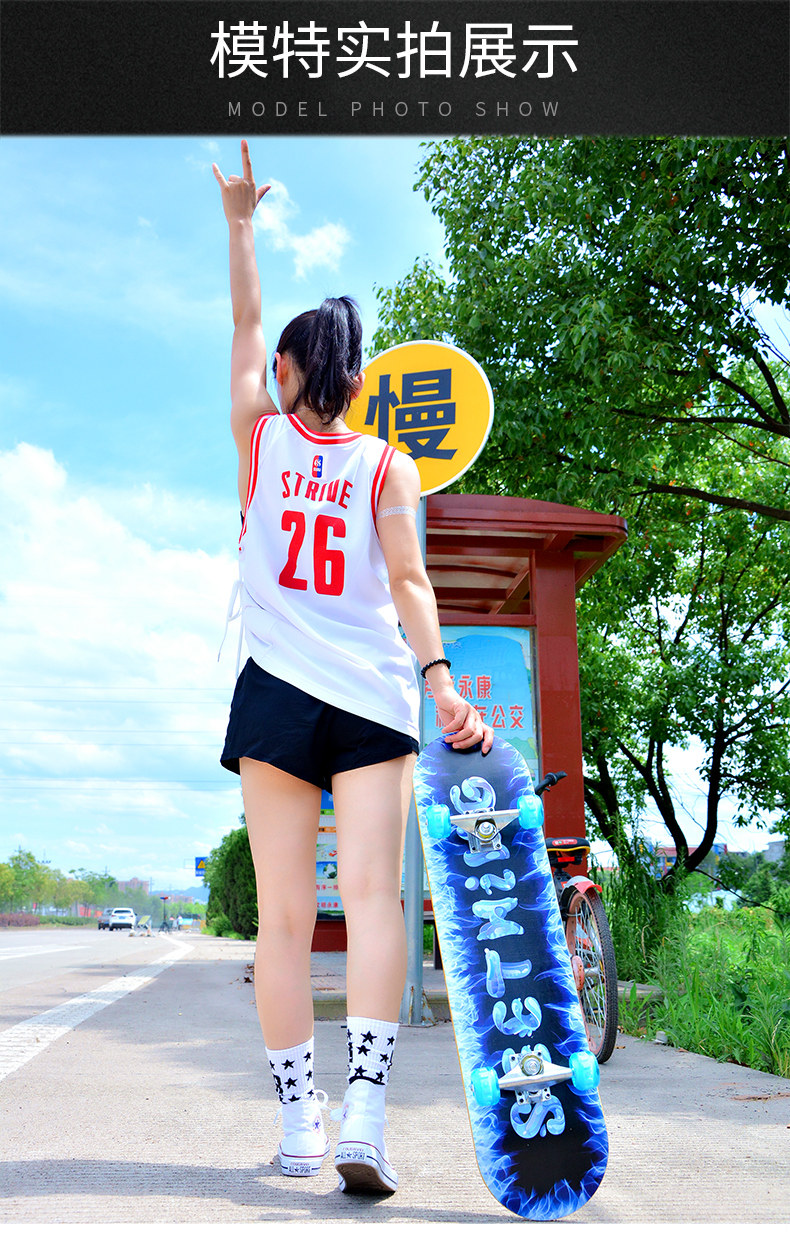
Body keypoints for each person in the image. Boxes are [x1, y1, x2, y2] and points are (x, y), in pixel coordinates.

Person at [213, 141, 493, 1194]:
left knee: (285, 919)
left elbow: (245, 323)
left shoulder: (258, 440)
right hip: (375, 695)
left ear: (286, 375)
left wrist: (242, 224)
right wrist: (441, 683)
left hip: (277, 694)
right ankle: (368, 1115)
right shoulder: (388, 462)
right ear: (360, 383)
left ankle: (303, 1125)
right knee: (376, 902)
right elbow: (410, 582)